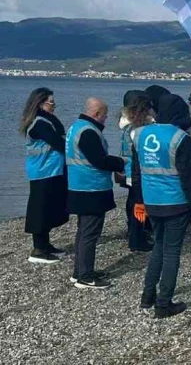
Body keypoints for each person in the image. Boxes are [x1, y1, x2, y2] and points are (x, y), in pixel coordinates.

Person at [132, 94, 191, 318]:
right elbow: (189, 179)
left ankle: (147, 296)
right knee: (172, 251)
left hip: (152, 200)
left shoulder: (140, 134)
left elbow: (136, 173)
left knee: (158, 246)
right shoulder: (180, 138)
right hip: (175, 201)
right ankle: (164, 304)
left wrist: (139, 201)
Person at [66, 98, 125, 289]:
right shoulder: (88, 132)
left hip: (79, 185)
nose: (106, 119)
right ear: (97, 113)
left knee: (84, 231)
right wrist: (121, 163)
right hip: (90, 187)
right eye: (105, 115)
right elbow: (99, 160)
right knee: (90, 233)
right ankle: (85, 276)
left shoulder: (76, 126)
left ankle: (80, 271)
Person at [20, 88, 69, 263]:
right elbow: (59, 143)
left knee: (49, 207)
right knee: (40, 209)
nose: (54, 105)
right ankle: (38, 249)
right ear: (40, 103)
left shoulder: (48, 120)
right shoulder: (39, 123)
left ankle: (46, 245)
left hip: (53, 170)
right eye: (51, 102)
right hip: (42, 172)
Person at [118, 90, 154, 252]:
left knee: (133, 203)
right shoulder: (137, 130)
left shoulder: (128, 128)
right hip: (137, 173)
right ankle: (137, 238)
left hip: (129, 172)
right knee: (138, 205)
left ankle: (135, 234)